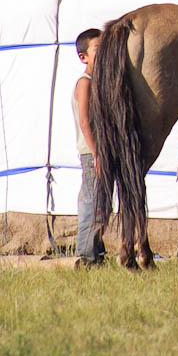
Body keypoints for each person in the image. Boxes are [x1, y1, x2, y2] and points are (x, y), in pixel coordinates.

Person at [72, 27, 106, 267]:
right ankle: (86, 255)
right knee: (92, 203)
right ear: (83, 56)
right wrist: (96, 153)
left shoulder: (101, 82)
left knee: (101, 202)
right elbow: (85, 121)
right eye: (97, 49)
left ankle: (96, 251)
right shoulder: (85, 83)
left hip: (101, 151)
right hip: (91, 152)